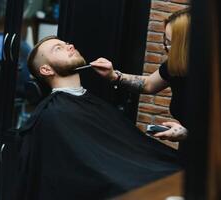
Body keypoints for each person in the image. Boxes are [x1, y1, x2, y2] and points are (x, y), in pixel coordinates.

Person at [15, 36, 181, 200]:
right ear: (46, 70)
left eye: (66, 43)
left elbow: (126, 153)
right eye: (58, 48)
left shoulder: (88, 102)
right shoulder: (54, 114)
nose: (70, 46)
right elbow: (87, 170)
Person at [91, 8, 190, 143]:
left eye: (170, 43)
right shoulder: (174, 65)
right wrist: (114, 76)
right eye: (165, 42)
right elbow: (148, 84)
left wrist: (186, 134)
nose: (165, 47)